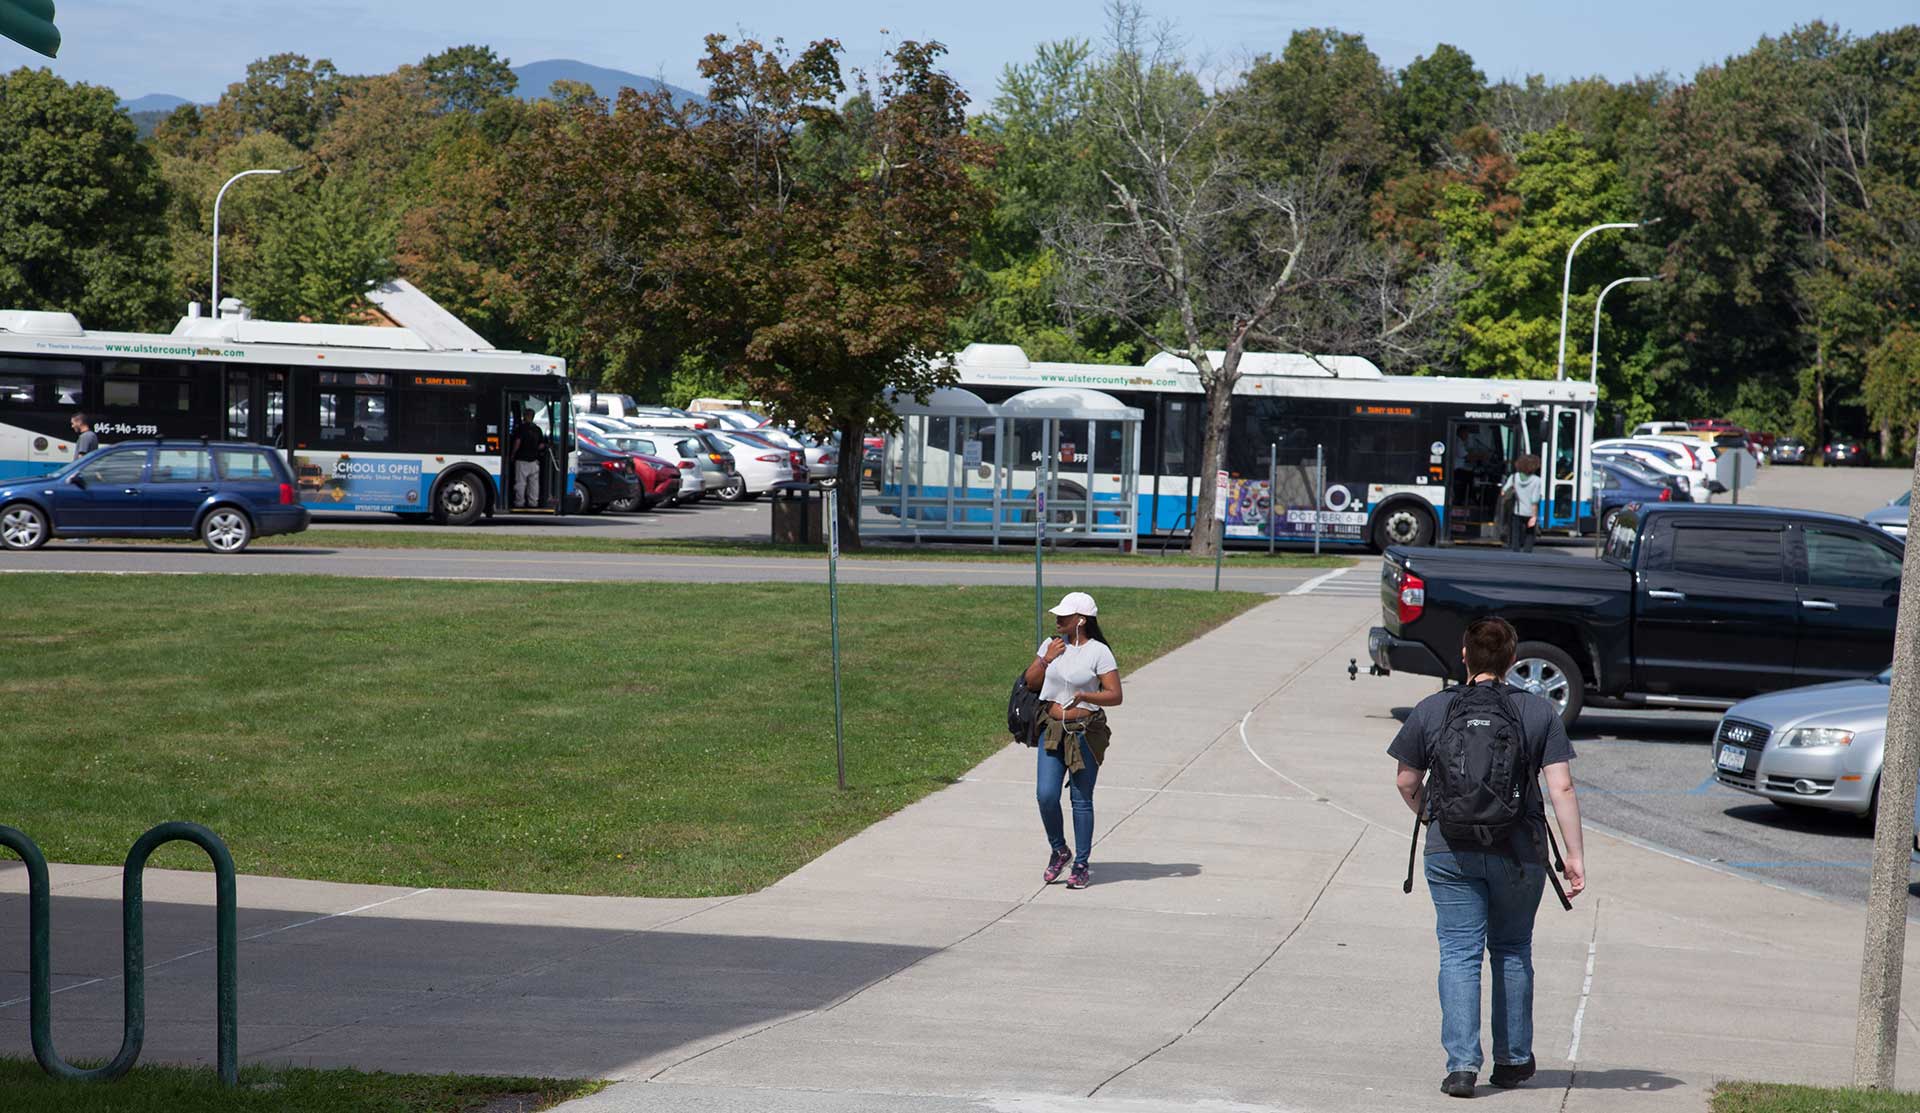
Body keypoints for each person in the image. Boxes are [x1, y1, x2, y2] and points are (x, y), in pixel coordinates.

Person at [1389, 617, 1585, 1099]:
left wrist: (1431, 814)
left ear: (1464, 656)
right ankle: (1514, 1060)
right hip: (1519, 852)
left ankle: (1461, 1067)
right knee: (1513, 947)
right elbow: (1561, 786)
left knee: (1459, 953)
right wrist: (1574, 857)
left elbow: (1405, 781)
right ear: (1512, 661)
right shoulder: (1538, 713)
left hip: (1450, 849)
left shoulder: (1433, 710)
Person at [1021, 591, 1123, 890]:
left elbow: (1115, 695)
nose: (1057, 619)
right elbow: (1030, 682)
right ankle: (1059, 850)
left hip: (1085, 733)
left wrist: (1085, 696)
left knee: (1081, 800)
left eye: (1064, 616)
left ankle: (1081, 864)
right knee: (1046, 795)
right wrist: (1045, 659)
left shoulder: (1099, 652)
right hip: (1052, 730)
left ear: (1081, 620)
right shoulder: (1051, 646)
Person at [1500, 455, 1543, 552]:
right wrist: (1534, 516)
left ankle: (1515, 549)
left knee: (1515, 532)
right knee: (1530, 533)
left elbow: (1503, 491)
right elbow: (1534, 500)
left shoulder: (1514, 477)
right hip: (1530, 512)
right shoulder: (1537, 480)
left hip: (1517, 510)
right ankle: (1527, 551)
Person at [510, 409, 546, 509]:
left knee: (521, 483)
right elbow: (541, 445)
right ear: (533, 417)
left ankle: (519, 502)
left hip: (521, 460)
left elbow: (517, 442)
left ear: (524, 416)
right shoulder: (537, 429)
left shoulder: (521, 428)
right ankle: (533, 503)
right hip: (534, 460)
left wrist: (513, 454)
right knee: (534, 484)